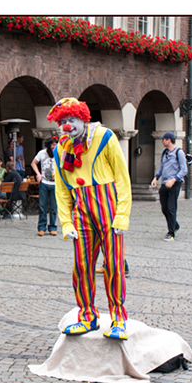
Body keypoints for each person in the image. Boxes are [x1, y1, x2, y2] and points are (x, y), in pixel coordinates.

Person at [49, 97, 131, 340]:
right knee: (81, 266)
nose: (67, 125)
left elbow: (122, 179)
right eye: (62, 121)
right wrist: (65, 222)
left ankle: (118, 319)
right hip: (81, 211)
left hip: (108, 209)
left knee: (114, 266)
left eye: (71, 119)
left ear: (82, 118)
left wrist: (121, 216)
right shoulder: (61, 149)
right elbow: (61, 190)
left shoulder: (105, 137)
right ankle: (87, 316)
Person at [151, 132, 188, 242]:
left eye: (164, 139)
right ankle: (175, 224)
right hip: (165, 183)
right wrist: (156, 177)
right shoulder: (164, 153)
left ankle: (171, 232)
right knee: (164, 208)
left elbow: (184, 169)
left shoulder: (179, 153)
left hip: (174, 183)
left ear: (169, 140)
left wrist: (174, 179)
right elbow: (161, 166)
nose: (162, 141)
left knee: (171, 207)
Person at [31, 136, 58, 236]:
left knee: (53, 207)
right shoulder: (42, 153)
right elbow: (33, 163)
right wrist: (38, 174)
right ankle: (42, 227)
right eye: (52, 144)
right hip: (44, 183)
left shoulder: (59, 153)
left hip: (55, 184)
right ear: (48, 145)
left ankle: (53, 227)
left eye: (56, 144)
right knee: (42, 206)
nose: (54, 146)